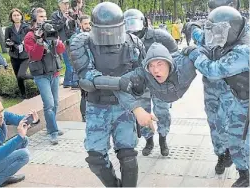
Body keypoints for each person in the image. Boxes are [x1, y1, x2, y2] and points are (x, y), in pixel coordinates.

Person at [70, 2, 145, 186]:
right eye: (104, 31)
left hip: (124, 107)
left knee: (128, 155)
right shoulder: (83, 43)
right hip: (97, 106)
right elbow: (87, 79)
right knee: (95, 158)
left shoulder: (134, 43)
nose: (109, 35)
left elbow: (141, 76)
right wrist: (119, 82)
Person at [190, 0, 247, 177]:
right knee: (214, 123)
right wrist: (192, 27)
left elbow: (214, 70)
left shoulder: (243, 43)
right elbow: (201, 37)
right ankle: (222, 154)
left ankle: (241, 165)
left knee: (233, 127)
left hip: (233, 91)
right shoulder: (215, 27)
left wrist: (195, 55)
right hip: (211, 87)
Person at [124, 8, 178, 157]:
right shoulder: (124, 40)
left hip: (160, 82)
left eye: (134, 23)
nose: (132, 28)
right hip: (141, 83)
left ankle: (163, 139)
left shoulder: (159, 36)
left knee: (163, 112)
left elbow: (175, 56)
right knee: (144, 112)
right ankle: (149, 141)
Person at [24, 7, 65, 145]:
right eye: (41, 16)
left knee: (56, 102)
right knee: (49, 104)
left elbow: (61, 50)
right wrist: (40, 41)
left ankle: (50, 127)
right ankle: (53, 132)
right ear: (35, 19)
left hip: (54, 72)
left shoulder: (50, 30)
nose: (44, 18)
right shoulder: (29, 36)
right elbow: (34, 56)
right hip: (41, 75)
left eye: (45, 15)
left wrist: (56, 39)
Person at [0, 95, 39, 187]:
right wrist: (19, 137)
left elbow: (20, 120)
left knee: (23, 140)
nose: (1, 115)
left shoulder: (2, 116)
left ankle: (4, 176)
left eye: (2, 110)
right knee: (23, 155)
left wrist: (33, 119)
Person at [5, 8, 32, 99]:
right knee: (18, 78)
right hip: (14, 55)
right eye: (14, 15)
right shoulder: (9, 29)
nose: (16, 17)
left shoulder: (26, 27)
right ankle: (23, 95)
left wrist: (25, 43)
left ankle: (35, 76)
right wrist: (9, 44)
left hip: (25, 55)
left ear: (21, 16)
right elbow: (6, 42)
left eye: (18, 15)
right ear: (11, 17)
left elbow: (32, 39)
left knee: (21, 75)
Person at [51, 0, 79, 88]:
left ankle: (67, 82)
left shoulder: (70, 12)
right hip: (62, 41)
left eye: (67, 3)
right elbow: (55, 27)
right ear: (59, 5)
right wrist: (63, 18)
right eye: (64, 3)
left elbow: (74, 28)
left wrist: (74, 19)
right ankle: (73, 82)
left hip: (72, 39)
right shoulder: (55, 15)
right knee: (68, 62)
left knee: (73, 60)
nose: (66, 5)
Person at [69, 15, 91, 122]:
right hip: (81, 70)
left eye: (89, 23)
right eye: (86, 23)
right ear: (80, 24)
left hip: (92, 69)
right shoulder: (75, 37)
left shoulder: (93, 35)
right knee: (85, 94)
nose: (88, 26)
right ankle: (84, 117)